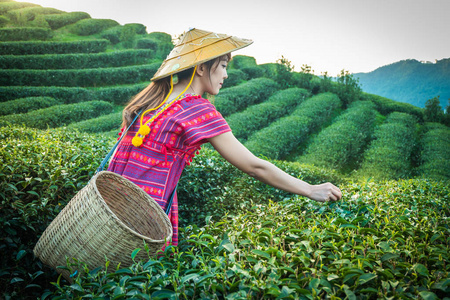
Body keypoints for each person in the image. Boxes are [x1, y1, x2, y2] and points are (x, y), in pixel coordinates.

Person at [107, 28, 342, 246]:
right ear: (200, 68)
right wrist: (310, 189)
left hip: (108, 206)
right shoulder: (197, 110)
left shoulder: (151, 100)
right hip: (145, 218)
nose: (226, 75)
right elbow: (253, 166)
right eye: (222, 66)